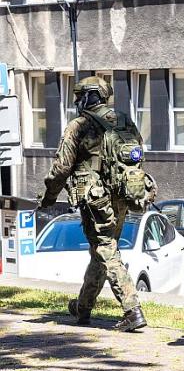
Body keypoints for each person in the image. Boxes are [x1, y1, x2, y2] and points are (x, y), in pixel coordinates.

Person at [39, 75, 152, 332]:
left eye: (80, 96)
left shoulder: (79, 126)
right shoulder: (123, 120)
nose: (77, 101)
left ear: (91, 96)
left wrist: (49, 197)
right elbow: (139, 154)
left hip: (95, 199)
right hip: (122, 196)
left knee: (105, 248)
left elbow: (61, 168)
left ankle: (132, 308)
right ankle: (83, 307)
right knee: (100, 251)